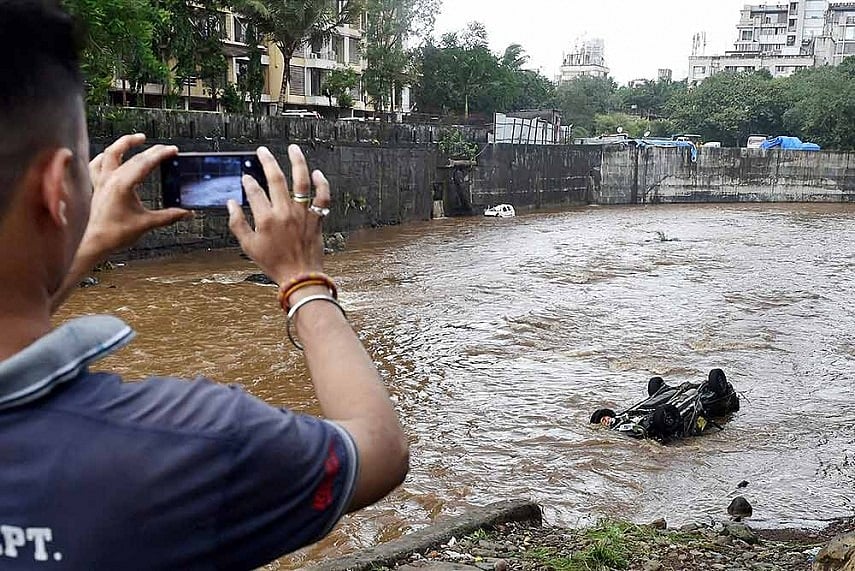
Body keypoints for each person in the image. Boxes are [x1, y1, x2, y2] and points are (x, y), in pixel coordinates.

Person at [0, 1, 408, 568]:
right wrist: (302, 278)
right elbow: (379, 448)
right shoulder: (188, 442)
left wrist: (83, 242)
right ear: (57, 192)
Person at [590, 369, 740, 441]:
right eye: (603, 420)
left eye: (604, 419)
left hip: (658, 417)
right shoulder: (619, 422)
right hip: (646, 419)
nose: (604, 420)